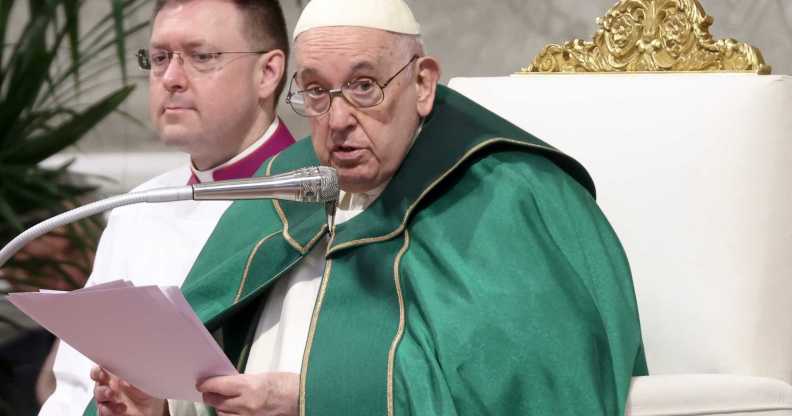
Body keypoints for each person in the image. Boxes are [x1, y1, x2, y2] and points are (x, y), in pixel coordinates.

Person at [89, 0, 647, 414]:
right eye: (315, 92)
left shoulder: (507, 194)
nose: (336, 121)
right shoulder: (287, 186)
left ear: (423, 83)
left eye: (363, 87)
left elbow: (536, 386)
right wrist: (164, 405)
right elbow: (228, 365)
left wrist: (313, 401)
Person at [37, 0, 294, 415]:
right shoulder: (136, 210)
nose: (171, 78)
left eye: (201, 56)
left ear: (267, 72)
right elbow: (72, 389)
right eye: (159, 58)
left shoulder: (316, 208)